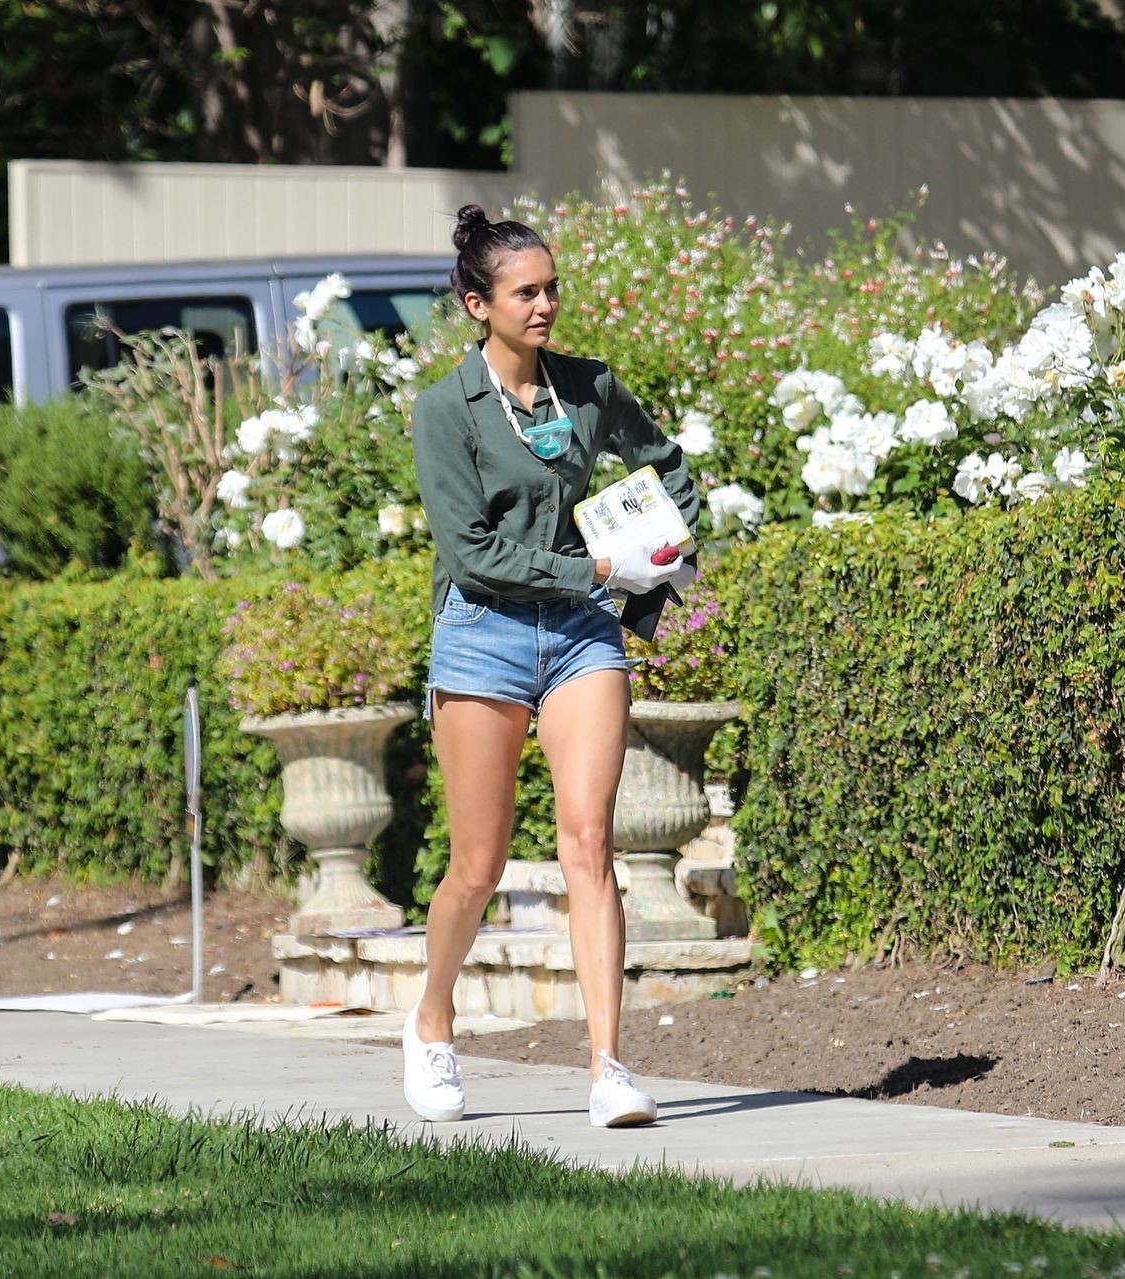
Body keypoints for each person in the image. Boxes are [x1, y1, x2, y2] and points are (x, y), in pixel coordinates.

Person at [406, 204, 699, 1128]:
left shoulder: (588, 386)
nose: (545, 306)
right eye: (525, 292)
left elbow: (669, 467)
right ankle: (433, 1020)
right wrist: (599, 570)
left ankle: (609, 1067)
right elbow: (472, 553)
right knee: (476, 865)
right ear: (477, 304)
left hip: (580, 634)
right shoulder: (443, 410)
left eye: (551, 288)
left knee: (589, 844)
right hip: (482, 634)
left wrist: (656, 560)